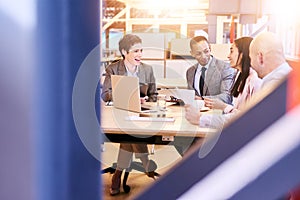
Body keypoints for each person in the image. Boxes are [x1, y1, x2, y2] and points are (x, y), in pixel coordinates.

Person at [185, 31, 292, 128]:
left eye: (251, 57)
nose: (251, 62)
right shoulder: (275, 79)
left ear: (260, 57)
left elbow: (247, 119)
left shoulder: (269, 83)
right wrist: (224, 107)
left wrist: (201, 119)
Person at [101, 34, 157, 195]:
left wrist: (146, 101)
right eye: (135, 51)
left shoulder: (147, 69)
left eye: (141, 50)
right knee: (131, 132)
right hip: (118, 114)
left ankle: (118, 174)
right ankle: (145, 160)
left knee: (131, 133)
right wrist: (126, 96)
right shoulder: (113, 69)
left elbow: (154, 95)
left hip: (140, 114)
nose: (140, 54)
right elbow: (105, 94)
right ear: (125, 52)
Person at [203, 36, 262, 114]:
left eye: (232, 51)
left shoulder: (255, 80)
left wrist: (224, 107)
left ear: (242, 54)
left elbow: (251, 116)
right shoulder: (239, 76)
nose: (228, 56)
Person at [186, 36, 236, 104]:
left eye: (206, 51)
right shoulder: (190, 72)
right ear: (192, 53)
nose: (203, 56)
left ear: (210, 48)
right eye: (198, 53)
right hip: (197, 113)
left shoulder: (225, 68)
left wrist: (202, 99)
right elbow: (191, 96)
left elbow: (227, 97)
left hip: (218, 113)